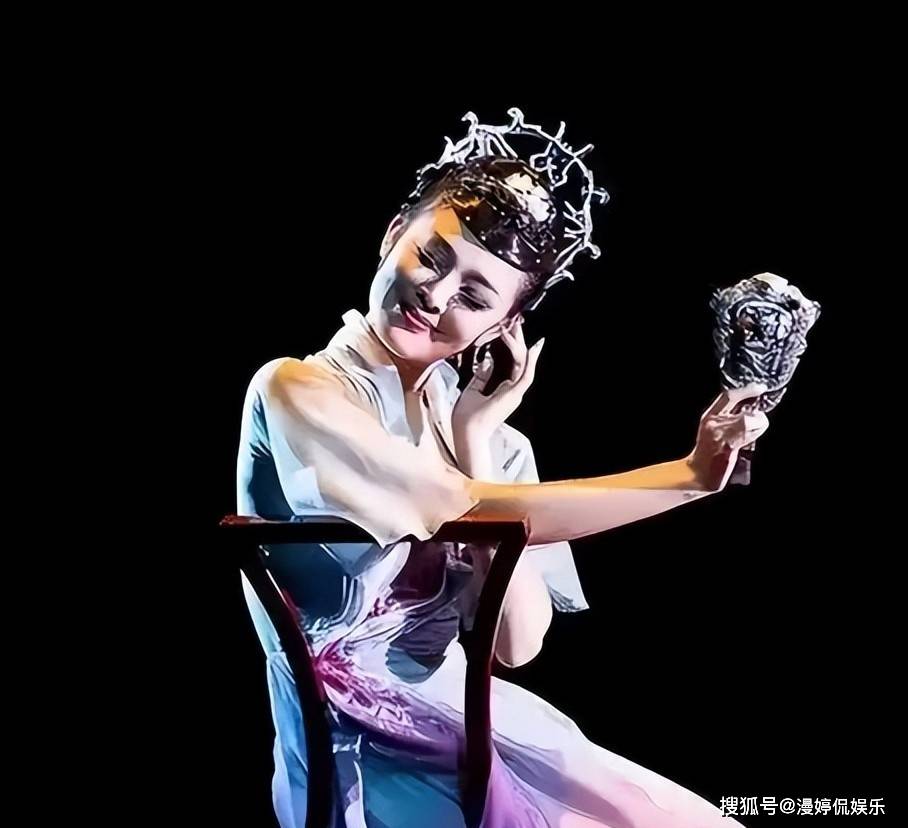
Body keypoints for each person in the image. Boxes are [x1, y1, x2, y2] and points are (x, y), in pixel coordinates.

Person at [236, 111, 766, 827]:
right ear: (393, 234)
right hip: (354, 758)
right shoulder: (298, 391)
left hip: (472, 726)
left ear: (502, 327)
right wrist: (689, 475)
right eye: (431, 256)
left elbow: (518, 643)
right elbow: (462, 506)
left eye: (475, 296)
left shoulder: (493, 450)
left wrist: (474, 434)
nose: (435, 294)